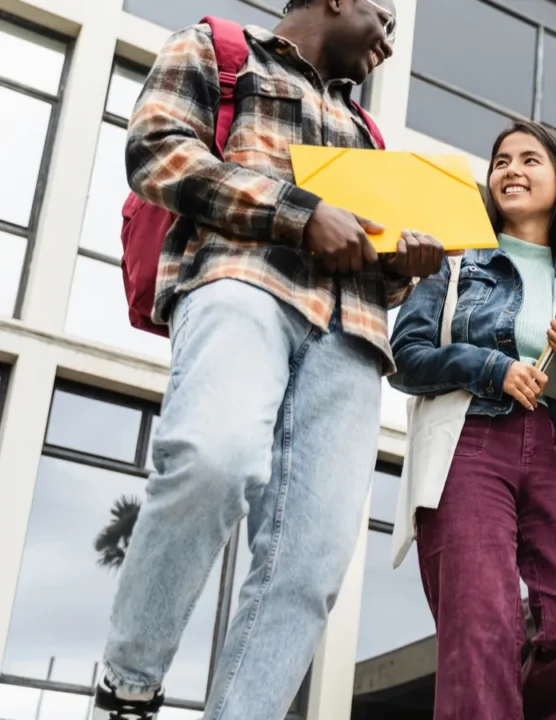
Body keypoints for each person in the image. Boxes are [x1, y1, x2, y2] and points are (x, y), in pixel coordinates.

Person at [92, 2, 445, 719]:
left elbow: (378, 260)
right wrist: (298, 212)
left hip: (352, 335)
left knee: (309, 565)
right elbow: (158, 151)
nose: (390, 38)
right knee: (212, 456)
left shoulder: (368, 133)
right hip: (242, 281)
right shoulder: (217, 49)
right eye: (384, 16)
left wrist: (408, 262)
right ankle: (127, 690)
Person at [388, 119, 556, 719]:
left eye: (530, 160)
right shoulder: (454, 262)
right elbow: (405, 358)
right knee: (482, 631)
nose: (512, 170)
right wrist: (491, 368)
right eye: (502, 160)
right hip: (471, 446)